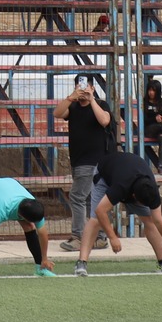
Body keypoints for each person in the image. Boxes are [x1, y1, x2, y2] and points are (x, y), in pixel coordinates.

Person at [79, 150, 162, 276]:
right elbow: (100, 211)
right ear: (133, 196)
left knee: (149, 221)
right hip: (104, 176)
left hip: (130, 171)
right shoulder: (121, 187)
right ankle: (81, 263)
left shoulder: (151, 189)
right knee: (95, 220)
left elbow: (158, 220)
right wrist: (113, 237)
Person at [59, 80, 112, 250]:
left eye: (85, 87)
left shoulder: (101, 104)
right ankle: (100, 237)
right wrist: (71, 97)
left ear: (93, 88)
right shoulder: (73, 106)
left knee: (77, 197)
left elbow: (104, 121)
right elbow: (57, 113)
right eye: (79, 87)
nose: (82, 90)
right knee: (92, 200)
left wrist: (92, 99)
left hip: (94, 161)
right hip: (78, 160)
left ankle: (79, 237)